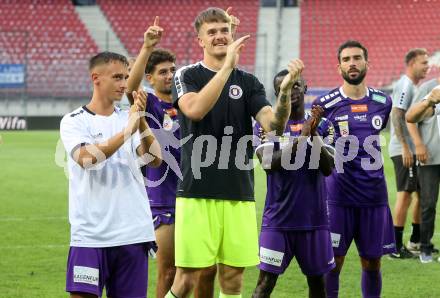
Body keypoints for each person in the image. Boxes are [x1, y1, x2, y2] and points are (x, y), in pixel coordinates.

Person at [167, 7, 304, 298]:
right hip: (196, 192)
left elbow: (274, 125)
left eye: (224, 30)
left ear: (231, 34)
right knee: (186, 280)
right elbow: (194, 109)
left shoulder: (249, 82)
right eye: (212, 32)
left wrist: (284, 95)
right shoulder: (187, 75)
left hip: (238, 193)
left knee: (232, 279)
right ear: (200, 40)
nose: (219, 36)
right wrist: (227, 67)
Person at [126, 18, 217, 298]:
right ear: (150, 78)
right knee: (169, 271)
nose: (169, 75)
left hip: (199, 193)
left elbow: (216, 79)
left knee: (207, 270)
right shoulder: (151, 103)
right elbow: (130, 89)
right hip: (165, 196)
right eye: (162, 72)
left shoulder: (188, 101)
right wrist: (146, 47)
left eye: (172, 70)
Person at [60, 51, 162, 298]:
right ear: (96, 78)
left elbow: (154, 159)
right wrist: (127, 131)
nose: (125, 84)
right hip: (91, 235)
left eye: (126, 77)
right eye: (117, 77)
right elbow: (86, 158)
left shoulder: (128, 119)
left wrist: (141, 121)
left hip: (133, 233)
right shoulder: (74, 120)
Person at [313, 40, 394, 298]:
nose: (352, 63)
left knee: (372, 262)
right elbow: (314, 144)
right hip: (338, 196)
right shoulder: (325, 103)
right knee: (333, 263)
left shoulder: (383, 101)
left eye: (357, 58)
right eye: (346, 59)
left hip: (374, 197)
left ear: (367, 63)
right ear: (339, 67)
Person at [252, 71, 335, 298]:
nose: (292, 91)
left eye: (296, 85)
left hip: (314, 222)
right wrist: (302, 138)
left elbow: (328, 168)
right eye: (285, 88)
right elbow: (269, 164)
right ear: (278, 94)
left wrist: (314, 133)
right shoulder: (267, 126)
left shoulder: (325, 124)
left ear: (306, 88)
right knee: (264, 284)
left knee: (318, 284)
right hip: (278, 222)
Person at [388, 48, 429, 258]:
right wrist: (405, 147)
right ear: (412, 62)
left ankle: (415, 241)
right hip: (403, 150)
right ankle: (394, 247)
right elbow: (397, 115)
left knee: (422, 195)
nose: (427, 66)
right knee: (405, 195)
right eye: (423, 62)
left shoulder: (414, 85)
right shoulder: (405, 84)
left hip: (411, 150)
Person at [406, 79, 440, 263]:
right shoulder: (431, 90)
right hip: (431, 157)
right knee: (428, 203)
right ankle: (425, 247)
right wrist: (418, 144)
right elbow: (412, 118)